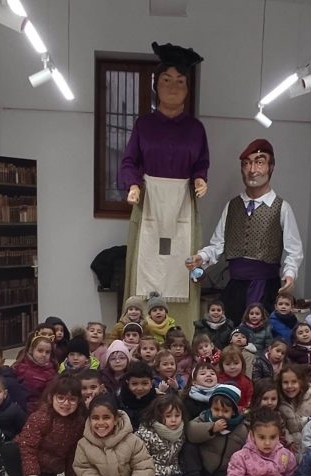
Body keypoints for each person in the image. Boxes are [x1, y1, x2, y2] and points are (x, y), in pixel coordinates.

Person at [121, 42, 208, 326]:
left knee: (182, 266)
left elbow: (201, 163)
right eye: (167, 80)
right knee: (144, 266)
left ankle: (183, 331)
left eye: (180, 81)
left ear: (188, 88)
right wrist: (133, 185)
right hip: (149, 204)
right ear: (156, 85)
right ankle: (139, 330)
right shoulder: (144, 125)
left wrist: (200, 179)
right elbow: (129, 161)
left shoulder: (195, 128)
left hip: (183, 206)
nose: (173, 87)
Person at [188, 139, 305, 324]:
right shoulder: (232, 206)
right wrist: (201, 257)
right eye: (246, 163)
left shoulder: (282, 207)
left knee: (262, 334)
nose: (252, 170)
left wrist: (290, 274)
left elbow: (294, 250)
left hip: (267, 288)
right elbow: (218, 244)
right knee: (231, 332)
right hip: (235, 288)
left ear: (271, 167)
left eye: (259, 162)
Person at [1, 376, 87, 476]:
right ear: (51, 397)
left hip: (47, 469)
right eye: (61, 398)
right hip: (24, 459)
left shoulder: (78, 422)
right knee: (9, 449)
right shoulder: (40, 417)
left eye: (72, 399)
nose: (66, 403)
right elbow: (28, 448)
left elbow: (73, 452)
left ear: (78, 401)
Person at [74, 395, 167, 476]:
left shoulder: (132, 440)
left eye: (106, 417)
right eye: (95, 418)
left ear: (116, 419)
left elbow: (143, 466)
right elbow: (84, 470)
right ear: (89, 420)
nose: (100, 423)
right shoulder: (83, 444)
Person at [136, 395, 213, 476]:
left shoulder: (181, 431)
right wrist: (146, 472)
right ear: (158, 416)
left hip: (172, 468)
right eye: (168, 416)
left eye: (177, 416)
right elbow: (140, 455)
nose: (173, 420)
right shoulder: (147, 433)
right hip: (153, 470)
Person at [181, 383, 248, 476]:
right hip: (203, 465)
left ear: (233, 412)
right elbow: (190, 431)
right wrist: (211, 428)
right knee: (189, 447)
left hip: (224, 470)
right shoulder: (205, 417)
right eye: (216, 409)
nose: (220, 414)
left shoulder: (240, 428)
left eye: (225, 411)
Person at [278, 365, 311, 452]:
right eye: (285, 382)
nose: (289, 386)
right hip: (291, 451)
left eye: (294, 382)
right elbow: (280, 427)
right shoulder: (279, 404)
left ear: (301, 382)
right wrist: (289, 440)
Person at [13, 333, 57, 413]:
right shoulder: (19, 366)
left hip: (37, 410)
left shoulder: (51, 373)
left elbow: (48, 397)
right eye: (40, 351)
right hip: (18, 407)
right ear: (31, 350)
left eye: (47, 352)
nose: (44, 355)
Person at [118, 360, 157, 430]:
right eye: (134, 384)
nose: (139, 388)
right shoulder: (118, 402)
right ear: (128, 383)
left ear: (151, 383)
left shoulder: (159, 403)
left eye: (145, 383)